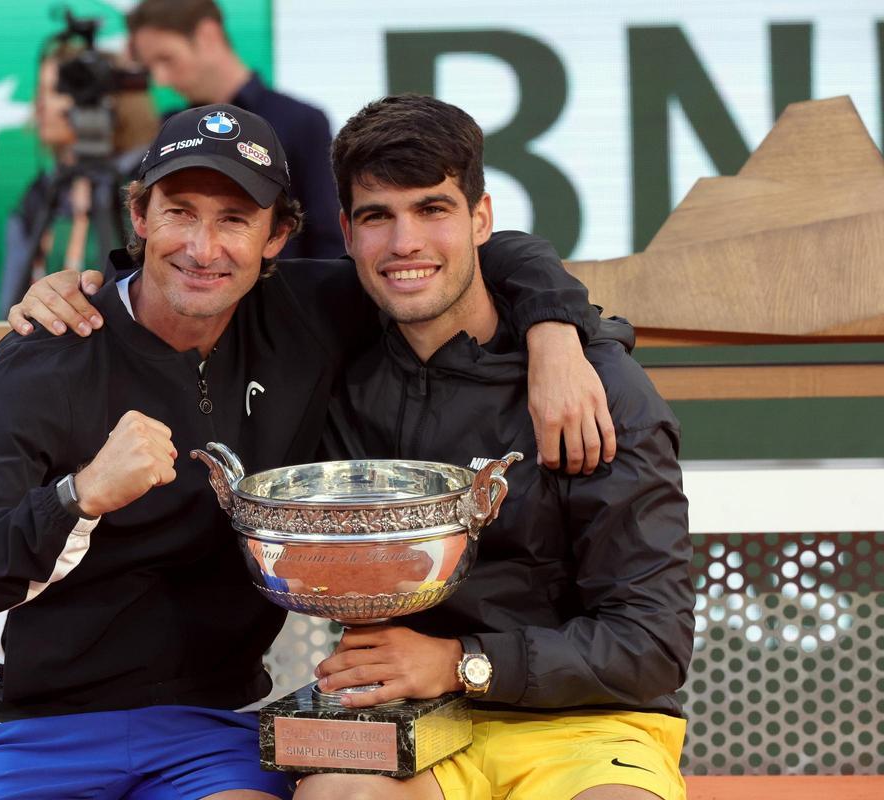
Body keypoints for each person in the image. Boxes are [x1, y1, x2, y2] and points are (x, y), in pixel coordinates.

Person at [0, 103, 611, 799]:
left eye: (235, 219)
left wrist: (553, 329)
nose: (204, 248)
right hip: (24, 728)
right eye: (180, 212)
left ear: (279, 235)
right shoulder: (52, 353)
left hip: (210, 726)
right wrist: (78, 497)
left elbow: (471, 255)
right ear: (139, 216)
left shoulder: (309, 311)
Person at [295, 95, 693, 800]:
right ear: (346, 232)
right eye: (377, 216)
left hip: (587, 727)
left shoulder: (596, 390)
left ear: (481, 218)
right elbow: (189, 288)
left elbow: (651, 645)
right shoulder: (332, 354)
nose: (404, 243)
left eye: (432, 209)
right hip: (412, 722)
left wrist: (459, 662)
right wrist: (65, 294)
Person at [126, 0, 344, 260]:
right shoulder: (168, 127)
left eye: (166, 58)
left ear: (207, 35)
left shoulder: (301, 120)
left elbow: (325, 235)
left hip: (283, 293)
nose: (160, 79)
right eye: (151, 68)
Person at [0, 37, 160, 316]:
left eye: (57, 90)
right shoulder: (40, 194)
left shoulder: (144, 185)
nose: (39, 106)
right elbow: (9, 307)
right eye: (40, 91)